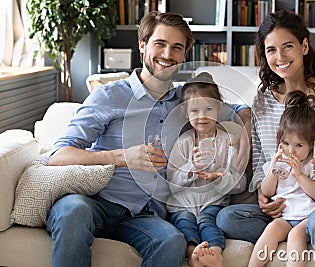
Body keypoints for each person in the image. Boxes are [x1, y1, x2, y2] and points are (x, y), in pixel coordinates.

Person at [47, 11, 250, 267]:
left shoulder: (186, 102)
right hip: (95, 202)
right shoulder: (110, 97)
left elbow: (238, 107)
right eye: (160, 44)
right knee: (72, 211)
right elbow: (58, 156)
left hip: (145, 214)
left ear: (184, 55)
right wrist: (121, 157)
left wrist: (245, 125)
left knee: (172, 241)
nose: (168, 55)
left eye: (177, 48)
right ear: (142, 45)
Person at [216, 10, 315, 266]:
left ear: (304, 46)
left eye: (288, 46)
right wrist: (264, 199)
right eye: (271, 50)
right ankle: (303, 232)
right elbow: (261, 166)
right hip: (288, 210)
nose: (280, 57)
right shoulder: (262, 102)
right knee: (227, 218)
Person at [166, 72, 247, 267]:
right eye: (194, 111)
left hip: (213, 203)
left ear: (219, 109)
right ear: (186, 113)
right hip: (182, 205)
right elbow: (171, 183)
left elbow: (241, 183)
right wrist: (191, 168)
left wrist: (219, 179)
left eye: (208, 109)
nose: (202, 116)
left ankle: (215, 252)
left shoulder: (228, 142)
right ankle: (194, 252)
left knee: (207, 221)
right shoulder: (184, 142)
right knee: (184, 221)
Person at [248, 90, 315, 267]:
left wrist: (300, 175)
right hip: (286, 217)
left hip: (311, 217)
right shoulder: (278, 161)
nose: (291, 151)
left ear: (311, 144)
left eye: (299, 145)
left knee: (295, 235)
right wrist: (273, 168)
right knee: (271, 229)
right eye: (286, 143)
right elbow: (268, 191)